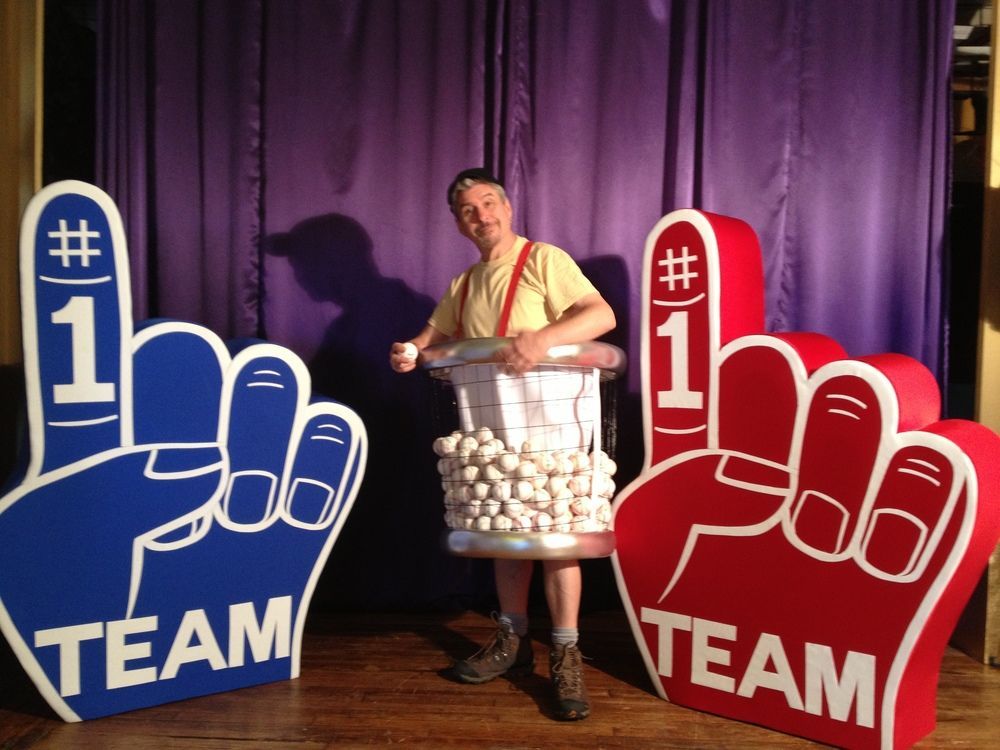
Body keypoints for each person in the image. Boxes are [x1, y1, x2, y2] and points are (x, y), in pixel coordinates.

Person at [389, 168, 616, 721]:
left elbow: (600, 315)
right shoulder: (462, 283)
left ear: (508, 207)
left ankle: (564, 652)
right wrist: (411, 349)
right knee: (504, 531)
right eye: (469, 210)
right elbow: (433, 334)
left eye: (488, 202)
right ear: (459, 222)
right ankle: (512, 643)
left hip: (552, 421)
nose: (482, 215)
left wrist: (542, 338)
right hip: (491, 425)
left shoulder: (545, 260)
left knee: (558, 536)